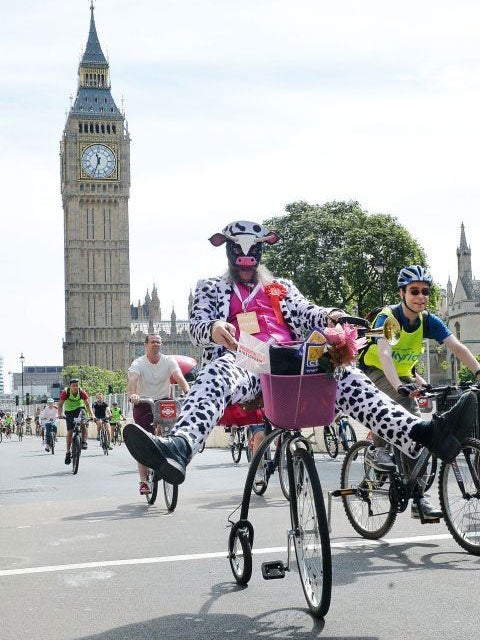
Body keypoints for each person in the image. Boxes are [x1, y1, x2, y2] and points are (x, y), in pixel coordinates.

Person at [123, 220, 477, 487]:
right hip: (246, 359)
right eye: (238, 256)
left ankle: (423, 434)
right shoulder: (211, 288)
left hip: (294, 360)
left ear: (261, 254)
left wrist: (332, 316)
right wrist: (215, 328)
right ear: (229, 253)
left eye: (252, 256)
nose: (246, 263)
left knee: (348, 377)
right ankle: (180, 446)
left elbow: (308, 312)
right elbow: (198, 327)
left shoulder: (281, 288)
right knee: (220, 371)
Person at [360, 264, 480, 519]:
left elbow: (457, 347)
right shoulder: (388, 318)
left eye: (425, 291)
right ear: (402, 293)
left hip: (405, 373)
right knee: (400, 409)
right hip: (376, 371)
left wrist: (478, 371)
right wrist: (399, 387)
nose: (421, 296)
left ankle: (418, 498)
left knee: (416, 432)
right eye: (414, 291)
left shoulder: (428, 321)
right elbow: (384, 353)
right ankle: (378, 449)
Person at [126, 334, 191, 495]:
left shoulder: (168, 361)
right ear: (145, 345)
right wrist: (133, 395)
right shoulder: (138, 363)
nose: (156, 345)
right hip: (143, 402)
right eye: (153, 342)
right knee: (142, 441)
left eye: (159, 342)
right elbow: (132, 380)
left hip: (164, 401)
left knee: (170, 433)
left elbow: (179, 377)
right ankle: (143, 481)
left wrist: (188, 392)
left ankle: (166, 459)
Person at [57, 379, 95, 465]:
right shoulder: (65, 392)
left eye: (77, 385)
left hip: (79, 409)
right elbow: (60, 405)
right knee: (70, 432)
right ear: (70, 386)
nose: (75, 387)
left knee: (83, 423)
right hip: (69, 411)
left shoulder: (82, 392)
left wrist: (92, 415)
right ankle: (68, 452)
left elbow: (87, 405)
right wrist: (59, 414)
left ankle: (84, 441)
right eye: (73, 385)